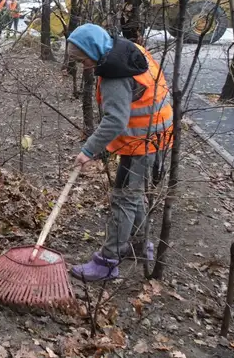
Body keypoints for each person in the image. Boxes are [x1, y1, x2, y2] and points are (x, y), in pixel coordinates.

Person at [67, 23, 172, 281]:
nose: (84, 66)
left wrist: (89, 150)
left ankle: (107, 261)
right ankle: (139, 244)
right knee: (133, 194)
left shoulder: (114, 75)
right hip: (158, 133)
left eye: (83, 60)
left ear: (94, 50)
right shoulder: (129, 49)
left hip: (141, 142)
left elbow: (115, 120)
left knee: (123, 198)